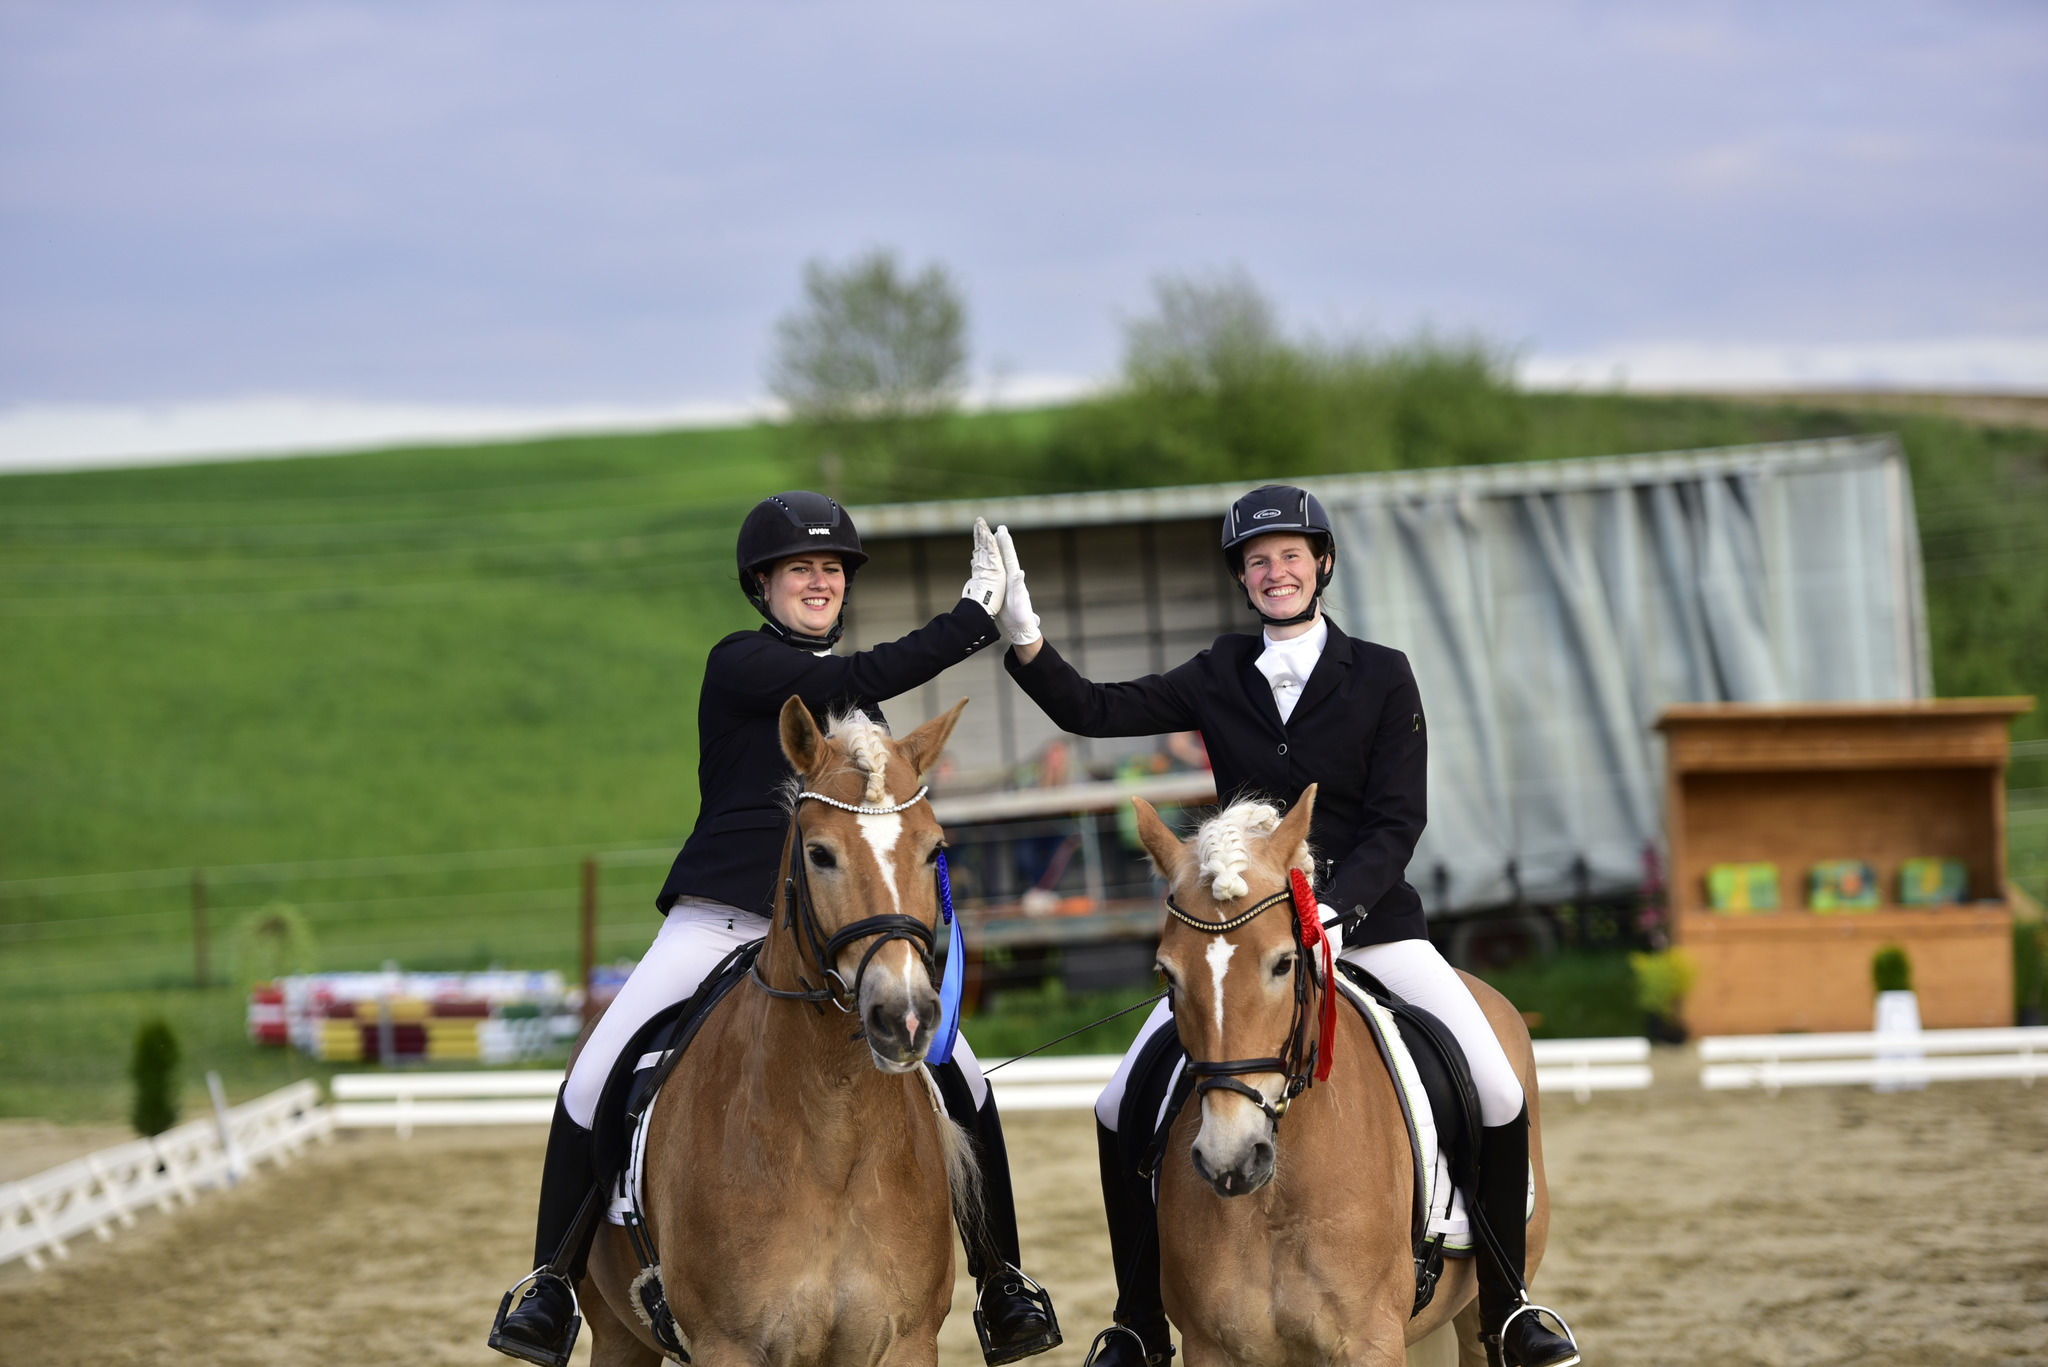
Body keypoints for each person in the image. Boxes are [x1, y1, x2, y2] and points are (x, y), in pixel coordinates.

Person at [990, 487, 1580, 1367]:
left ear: (1322, 565)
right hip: (1243, 935)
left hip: (1371, 925)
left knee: (1493, 1085)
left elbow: (1397, 821)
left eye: (1291, 556)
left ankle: (1507, 1303)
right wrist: (1024, 638)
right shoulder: (1219, 670)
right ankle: (1140, 1320)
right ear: (1243, 577)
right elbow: (1094, 710)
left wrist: (1337, 909)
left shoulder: (1382, 673)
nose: (1276, 571)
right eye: (1258, 560)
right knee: (1120, 1103)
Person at [491, 492, 1061, 1367]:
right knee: (598, 1072)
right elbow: (844, 681)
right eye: (803, 570)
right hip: (719, 923)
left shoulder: (859, 721)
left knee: (962, 1076)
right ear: (764, 584)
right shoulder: (744, 665)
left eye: (833, 570)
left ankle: (1004, 1281)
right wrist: (968, 621)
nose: (821, 582)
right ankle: (552, 1286)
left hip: (842, 939)